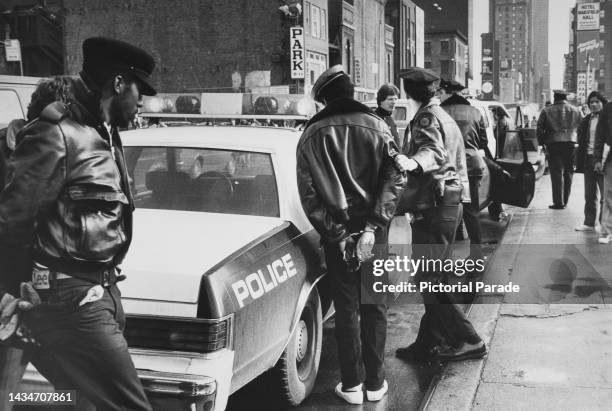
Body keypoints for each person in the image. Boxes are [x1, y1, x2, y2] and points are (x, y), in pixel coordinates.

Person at [0, 37, 157, 410]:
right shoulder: (55, 132)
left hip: (100, 290)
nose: (142, 102)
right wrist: (19, 290)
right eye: (140, 91)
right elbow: (12, 222)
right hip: (69, 300)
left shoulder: (104, 134)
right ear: (118, 84)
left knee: (84, 400)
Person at [297, 65, 404, 405]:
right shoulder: (379, 127)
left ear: (323, 99)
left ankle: (352, 385)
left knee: (346, 308)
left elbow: (309, 194)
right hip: (374, 231)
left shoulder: (311, 133)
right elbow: (395, 180)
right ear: (353, 92)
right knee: (375, 306)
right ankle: (376, 383)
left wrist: (339, 235)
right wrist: (373, 227)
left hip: (338, 233)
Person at [393, 68, 486, 362]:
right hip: (450, 202)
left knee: (430, 276)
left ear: (410, 92)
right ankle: (429, 340)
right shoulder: (443, 114)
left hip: (436, 204)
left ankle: (470, 340)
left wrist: (411, 162)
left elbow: (433, 152)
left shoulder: (427, 117)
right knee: (436, 275)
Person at [440, 79, 487, 260]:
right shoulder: (475, 112)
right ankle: (477, 253)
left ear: (446, 92)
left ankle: (445, 257)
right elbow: (483, 142)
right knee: (471, 209)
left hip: (448, 165)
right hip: (471, 164)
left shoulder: (440, 112)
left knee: (446, 211)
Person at [536, 89, 582, 209]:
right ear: (565, 98)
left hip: (553, 144)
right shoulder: (575, 110)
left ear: (555, 97)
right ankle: (565, 201)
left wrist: (542, 143)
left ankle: (558, 202)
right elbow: (582, 127)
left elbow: (539, 128)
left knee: (556, 173)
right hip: (571, 143)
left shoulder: (546, 110)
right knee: (569, 172)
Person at [575, 91, 608, 232]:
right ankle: (589, 223)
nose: (594, 104)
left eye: (597, 101)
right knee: (589, 194)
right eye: (591, 102)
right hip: (588, 159)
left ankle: (603, 224)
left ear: (603, 103)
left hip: (604, 159)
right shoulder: (587, 119)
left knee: (605, 195)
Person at [594, 97, 612, 244]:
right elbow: (599, 136)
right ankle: (606, 231)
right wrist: (598, 159)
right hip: (610, 159)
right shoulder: (607, 109)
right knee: (609, 196)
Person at [374, 83, 401, 148]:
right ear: (381, 101)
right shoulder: (375, 119)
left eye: (395, 99)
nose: (394, 102)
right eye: (390, 99)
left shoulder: (390, 118)